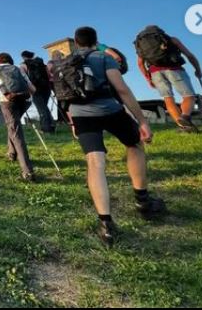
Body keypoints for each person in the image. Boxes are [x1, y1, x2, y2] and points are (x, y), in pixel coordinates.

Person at [56, 26, 166, 246]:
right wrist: (141, 120)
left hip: (81, 116)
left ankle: (106, 224)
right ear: (96, 41)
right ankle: (142, 200)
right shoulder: (103, 57)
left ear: (76, 43)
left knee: (95, 162)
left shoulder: (64, 64)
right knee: (134, 145)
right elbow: (122, 89)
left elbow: (63, 96)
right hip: (110, 110)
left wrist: (72, 122)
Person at [134, 25, 202, 133]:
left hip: (155, 73)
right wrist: (198, 69)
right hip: (174, 69)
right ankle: (185, 117)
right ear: (160, 32)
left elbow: (140, 64)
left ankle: (184, 127)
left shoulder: (142, 44)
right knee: (189, 96)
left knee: (168, 99)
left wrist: (148, 79)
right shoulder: (172, 40)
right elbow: (190, 56)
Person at [0, 53, 37, 182]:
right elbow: (33, 89)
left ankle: (28, 171)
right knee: (13, 126)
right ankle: (11, 154)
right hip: (26, 101)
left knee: (15, 131)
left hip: (8, 102)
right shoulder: (18, 69)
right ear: (10, 61)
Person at [20, 50, 56, 133]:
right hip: (46, 88)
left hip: (35, 89)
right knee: (44, 107)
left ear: (23, 57)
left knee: (41, 109)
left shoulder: (23, 65)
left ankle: (46, 129)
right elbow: (49, 76)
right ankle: (51, 125)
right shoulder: (41, 63)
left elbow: (23, 78)